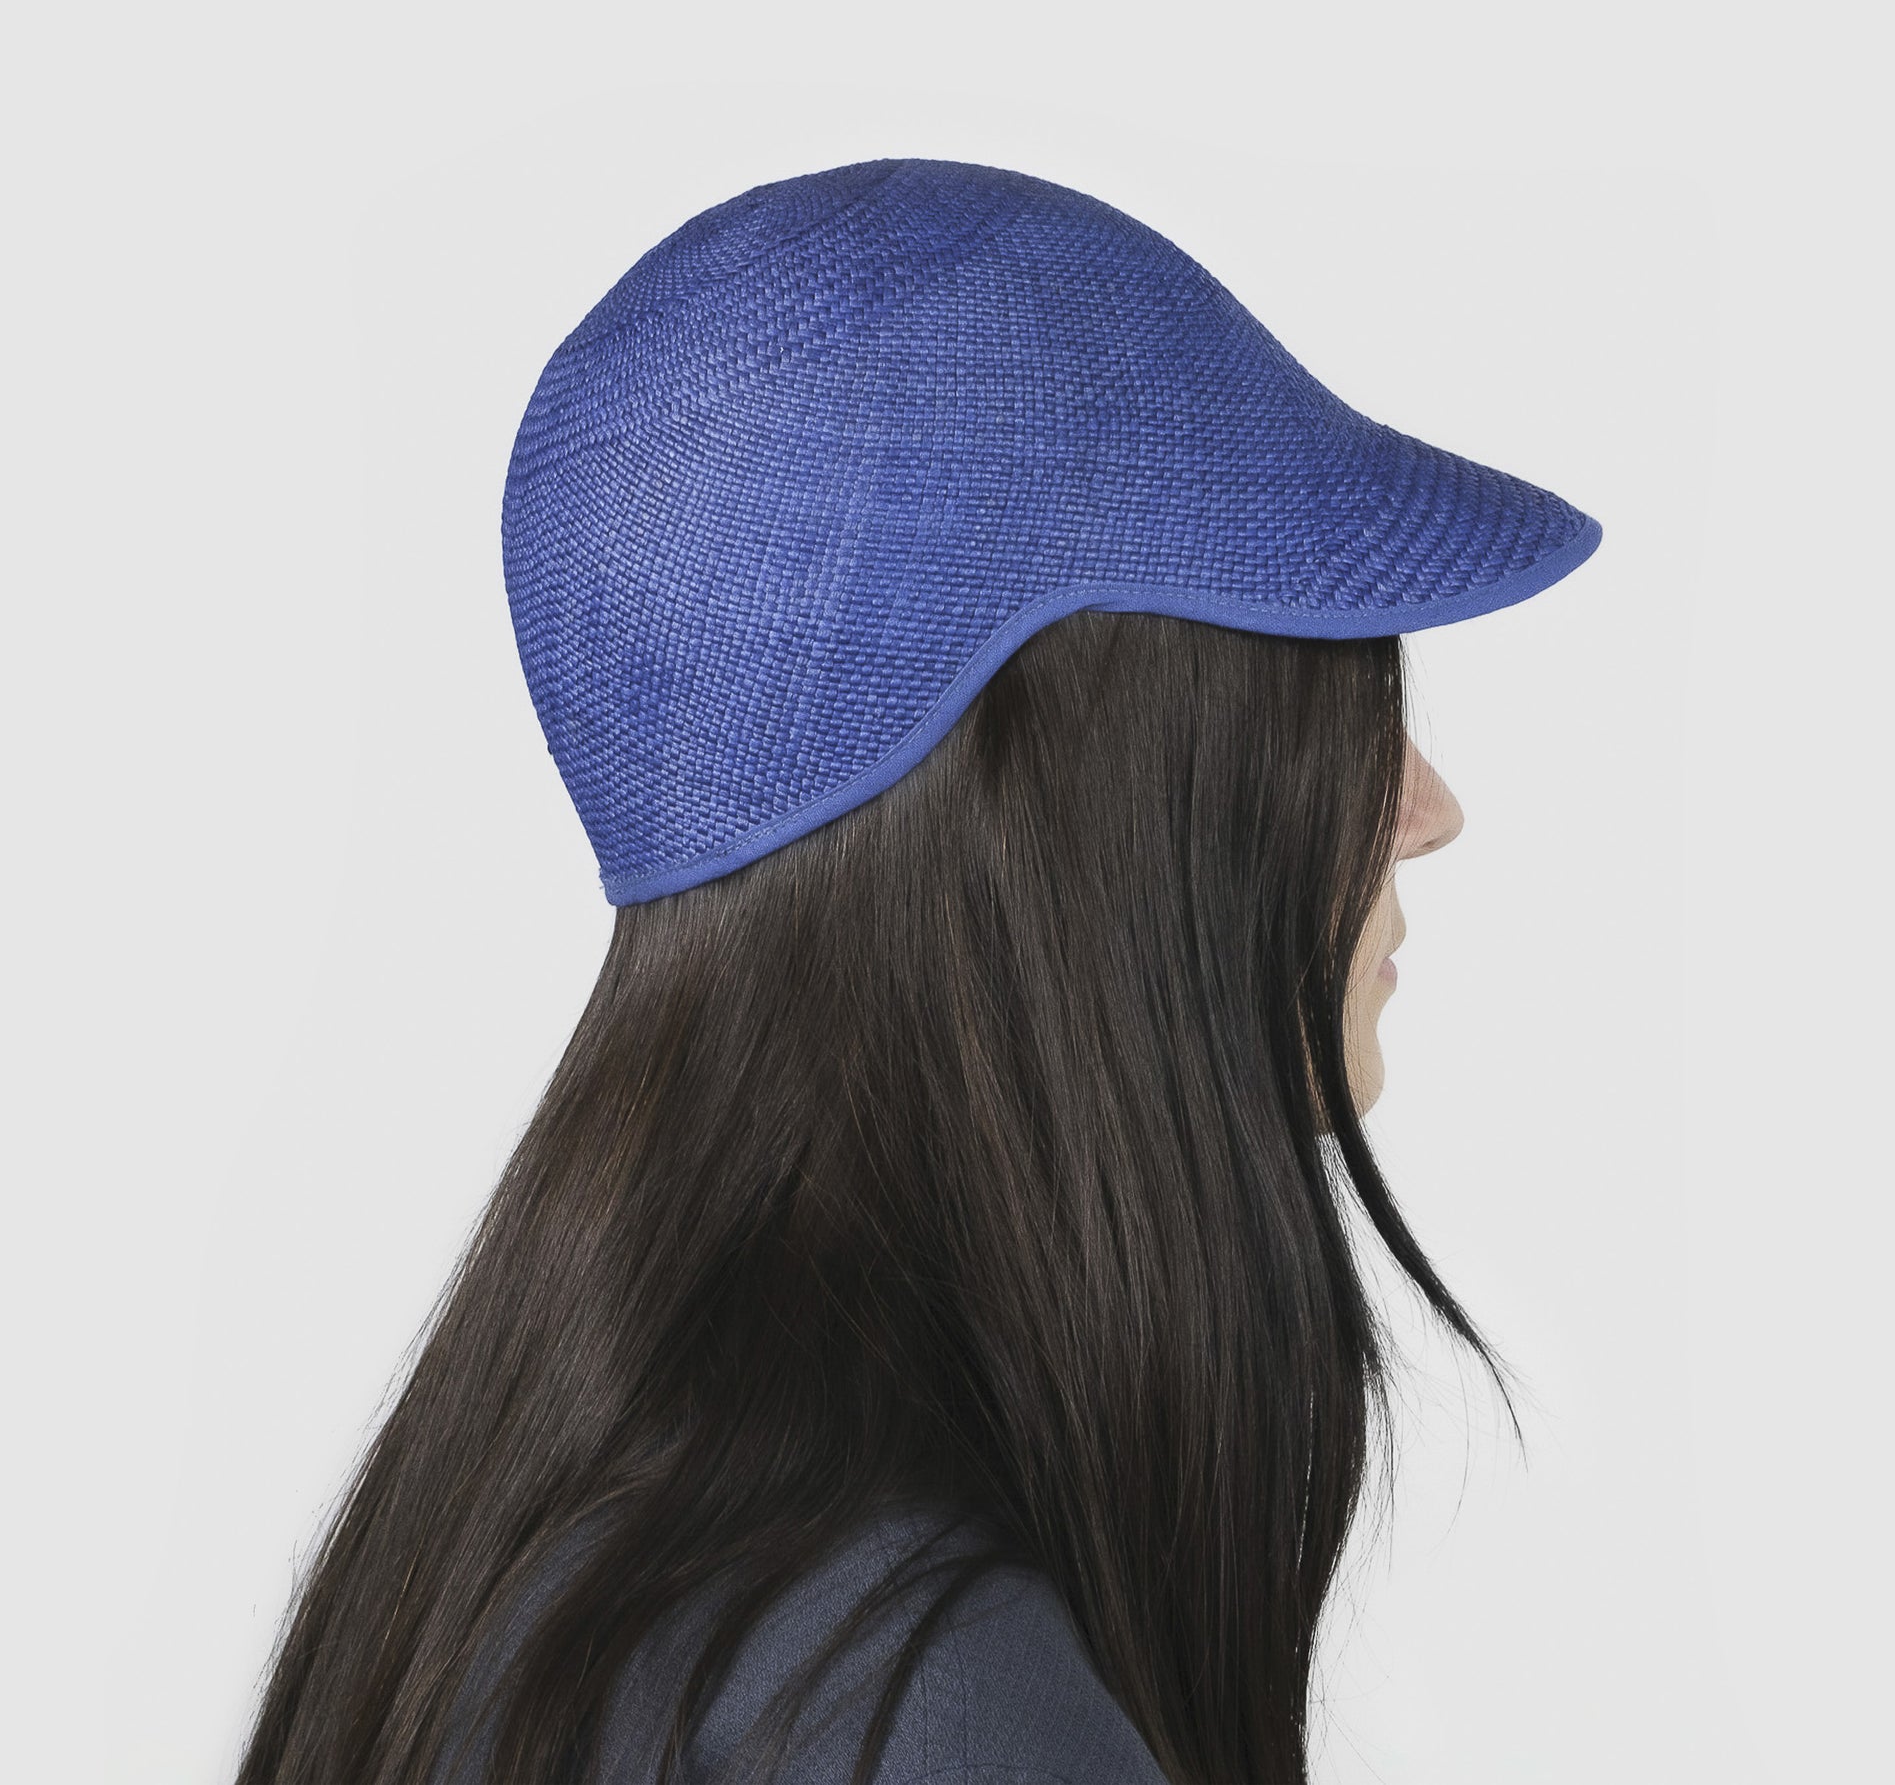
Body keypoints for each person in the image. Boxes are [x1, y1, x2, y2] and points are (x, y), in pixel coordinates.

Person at [233, 159, 1600, 1785]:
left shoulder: (556, 1543)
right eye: (1328, 704)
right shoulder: (914, 1693)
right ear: (1075, 797)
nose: (1424, 810)